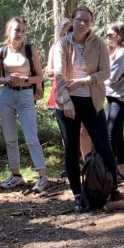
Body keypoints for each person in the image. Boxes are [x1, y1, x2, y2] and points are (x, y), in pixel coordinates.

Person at [53, 6, 120, 211]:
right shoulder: (62, 44)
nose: (83, 24)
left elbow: (105, 73)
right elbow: (58, 74)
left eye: (87, 21)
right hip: (67, 103)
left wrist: (83, 81)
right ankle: (78, 194)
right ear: (72, 20)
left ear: (91, 23)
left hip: (92, 101)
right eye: (79, 19)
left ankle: (113, 188)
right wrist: (66, 102)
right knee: (72, 149)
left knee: (103, 145)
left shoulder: (98, 43)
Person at [0, 17, 48, 192]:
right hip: (7, 95)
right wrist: (7, 79)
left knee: (31, 137)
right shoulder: (1, 52)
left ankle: (42, 176)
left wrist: (25, 79)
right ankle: (16, 175)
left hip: (26, 95)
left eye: (23, 31)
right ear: (8, 31)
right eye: (17, 30)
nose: (20, 34)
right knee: (10, 138)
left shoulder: (30, 50)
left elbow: (39, 76)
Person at [105, 21, 124, 180]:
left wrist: (92, 81)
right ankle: (122, 170)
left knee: (109, 135)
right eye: (107, 35)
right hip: (111, 97)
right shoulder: (112, 52)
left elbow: (111, 78)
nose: (108, 37)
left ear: (121, 35)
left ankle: (108, 172)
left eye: (112, 35)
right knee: (117, 135)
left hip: (121, 99)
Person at [46, 18, 72, 174]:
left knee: (81, 130)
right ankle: (70, 165)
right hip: (60, 88)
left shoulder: (79, 47)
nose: (65, 36)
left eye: (68, 33)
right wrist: (59, 70)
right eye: (62, 33)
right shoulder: (55, 47)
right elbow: (49, 70)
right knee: (66, 131)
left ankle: (86, 161)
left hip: (77, 87)